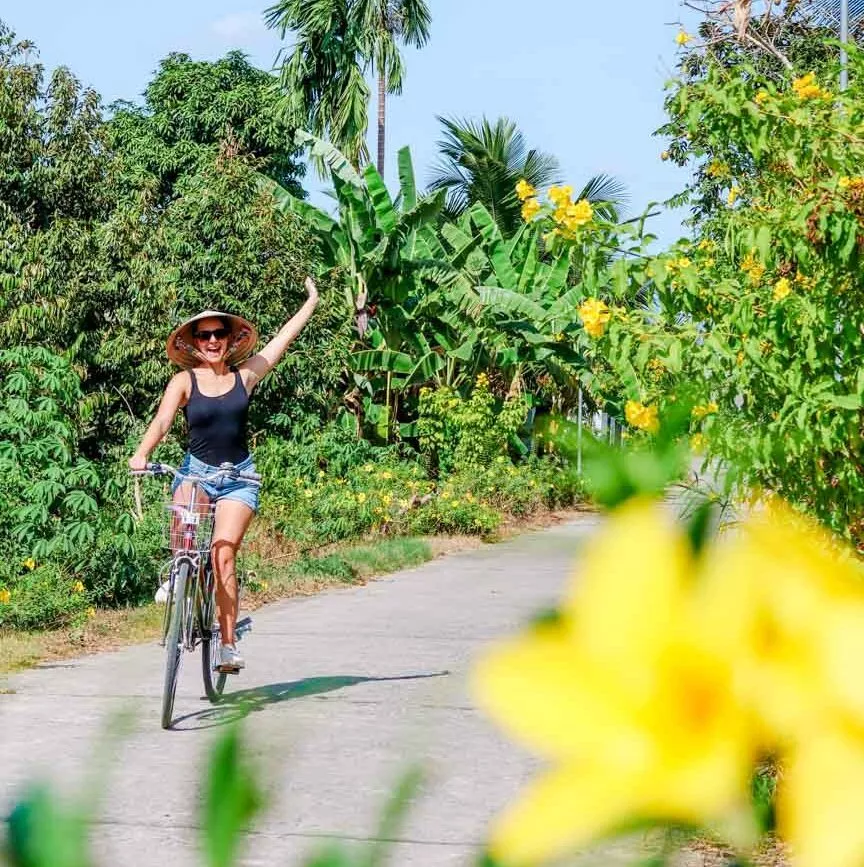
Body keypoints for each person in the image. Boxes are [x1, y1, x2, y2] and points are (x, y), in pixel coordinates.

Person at [129, 277, 319, 672]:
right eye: (204, 336)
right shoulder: (184, 381)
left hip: (238, 478)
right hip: (195, 473)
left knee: (223, 555)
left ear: (231, 340)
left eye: (219, 334)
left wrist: (311, 302)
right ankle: (181, 575)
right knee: (183, 536)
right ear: (194, 343)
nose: (212, 341)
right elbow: (162, 421)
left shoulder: (244, 377)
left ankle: (228, 644)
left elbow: (282, 340)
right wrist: (142, 453)